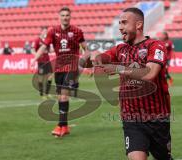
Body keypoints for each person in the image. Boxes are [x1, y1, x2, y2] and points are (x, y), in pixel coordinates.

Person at [84, 7, 173, 160]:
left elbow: (150, 73)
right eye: (119, 23)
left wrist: (118, 68)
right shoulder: (120, 49)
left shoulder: (155, 46)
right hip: (131, 119)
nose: (120, 27)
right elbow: (99, 60)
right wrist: (92, 57)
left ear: (138, 25)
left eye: (124, 23)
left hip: (157, 118)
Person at [31, 7, 88, 137]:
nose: (65, 17)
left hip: (72, 67)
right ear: (59, 17)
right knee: (60, 97)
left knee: (63, 95)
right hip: (59, 68)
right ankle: (65, 126)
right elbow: (44, 47)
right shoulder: (53, 31)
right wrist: (34, 59)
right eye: (62, 15)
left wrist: (88, 65)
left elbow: (86, 49)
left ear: (70, 16)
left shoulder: (77, 31)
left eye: (67, 15)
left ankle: (60, 125)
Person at [31, 27, 53, 99]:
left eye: (46, 32)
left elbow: (50, 50)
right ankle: (41, 93)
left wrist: (53, 47)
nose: (45, 33)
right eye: (44, 32)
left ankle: (47, 93)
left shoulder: (48, 40)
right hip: (41, 62)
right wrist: (37, 55)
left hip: (47, 61)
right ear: (41, 32)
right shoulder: (37, 40)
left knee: (50, 77)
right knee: (41, 78)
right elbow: (32, 50)